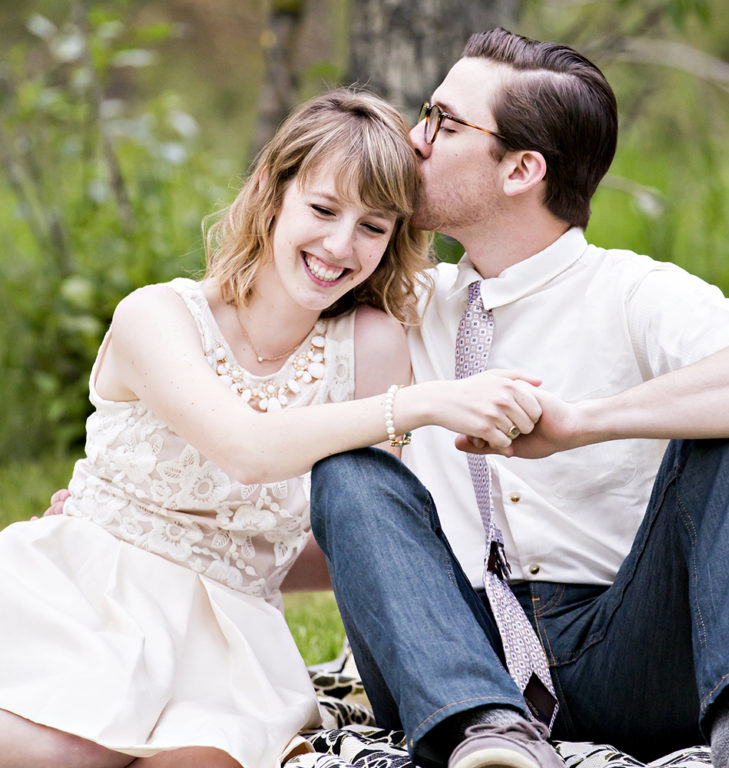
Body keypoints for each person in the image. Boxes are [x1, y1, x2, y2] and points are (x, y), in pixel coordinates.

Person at [0, 87, 541, 768]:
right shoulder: (159, 317)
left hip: (226, 632)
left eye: (374, 227)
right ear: (270, 190)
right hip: (88, 594)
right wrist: (424, 403)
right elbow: (246, 452)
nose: (341, 245)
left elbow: (339, 542)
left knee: (200, 761)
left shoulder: (370, 346)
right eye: (322, 209)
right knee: (55, 751)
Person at [309, 29, 729, 768]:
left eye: (443, 122)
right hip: (452, 653)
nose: (414, 139)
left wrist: (583, 424)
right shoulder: (396, 299)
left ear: (522, 168)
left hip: (626, 643)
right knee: (348, 473)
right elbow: (241, 325)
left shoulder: (631, 291)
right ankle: (488, 736)